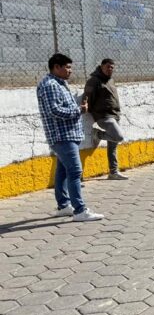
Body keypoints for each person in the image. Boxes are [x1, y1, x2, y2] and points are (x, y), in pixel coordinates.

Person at [37, 54, 104, 222]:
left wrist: (79, 108)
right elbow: (55, 110)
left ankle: (64, 206)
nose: (70, 71)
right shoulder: (51, 85)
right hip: (62, 136)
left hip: (67, 134)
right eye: (67, 67)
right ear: (56, 67)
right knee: (75, 171)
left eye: (70, 67)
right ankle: (80, 211)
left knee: (63, 171)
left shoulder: (59, 83)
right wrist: (78, 110)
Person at [83, 58, 128, 180]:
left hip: (115, 115)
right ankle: (98, 134)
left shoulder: (110, 80)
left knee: (113, 145)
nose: (110, 69)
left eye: (112, 67)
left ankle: (113, 172)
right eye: (108, 67)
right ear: (101, 66)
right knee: (118, 137)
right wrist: (87, 108)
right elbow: (86, 96)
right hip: (104, 116)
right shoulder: (94, 80)